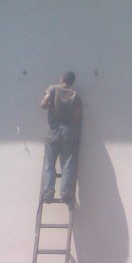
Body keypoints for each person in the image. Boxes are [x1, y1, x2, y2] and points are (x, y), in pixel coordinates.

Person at [40, 71, 82, 208]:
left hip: (53, 131)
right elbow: (77, 116)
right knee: (68, 164)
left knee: (49, 163)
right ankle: (65, 194)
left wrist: (47, 101)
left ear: (62, 79)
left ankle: (48, 193)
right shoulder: (75, 95)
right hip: (69, 132)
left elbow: (43, 105)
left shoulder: (53, 89)